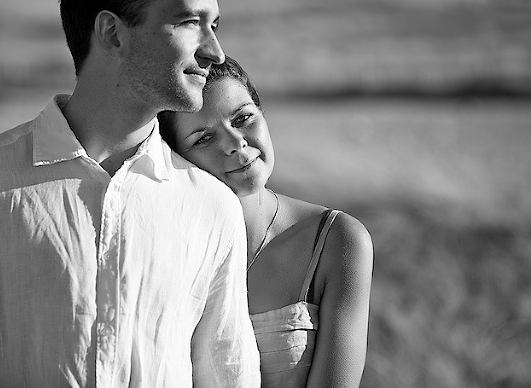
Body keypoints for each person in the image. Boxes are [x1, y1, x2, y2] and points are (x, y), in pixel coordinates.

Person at [0, 0, 260, 387]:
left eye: (215, 26)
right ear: (112, 32)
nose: (214, 52)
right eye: (190, 22)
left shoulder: (211, 206)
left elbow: (228, 374)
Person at [159, 56, 373, 387]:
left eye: (243, 118)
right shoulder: (164, 250)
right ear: (175, 157)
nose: (236, 143)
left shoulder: (337, 240)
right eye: (203, 138)